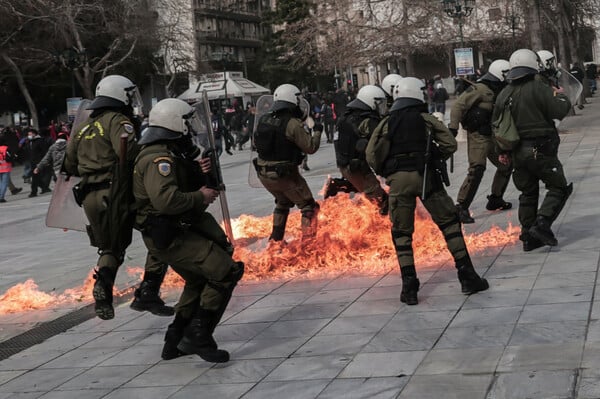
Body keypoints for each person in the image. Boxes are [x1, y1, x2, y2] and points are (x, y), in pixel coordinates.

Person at [133, 98, 243, 363]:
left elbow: (179, 183)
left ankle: (175, 340)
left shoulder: (168, 152)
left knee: (198, 280)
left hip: (175, 231)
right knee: (225, 272)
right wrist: (200, 196)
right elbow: (166, 200)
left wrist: (198, 171)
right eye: (186, 122)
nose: (190, 128)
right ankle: (198, 335)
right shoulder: (158, 158)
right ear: (174, 123)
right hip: (170, 235)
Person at [366, 77, 489, 305]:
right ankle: (467, 276)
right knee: (450, 224)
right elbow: (450, 145)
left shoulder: (387, 122)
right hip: (426, 178)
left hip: (399, 181)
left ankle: (409, 286)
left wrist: (388, 170)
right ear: (416, 94)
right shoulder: (426, 120)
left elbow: (371, 155)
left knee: (402, 233)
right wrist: (433, 159)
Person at [63, 74, 171, 320]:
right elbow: (131, 154)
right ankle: (149, 290)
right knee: (160, 233)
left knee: (111, 248)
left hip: (90, 197)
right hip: (118, 192)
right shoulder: (119, 121)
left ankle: (105, 284)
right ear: (120, 95)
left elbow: (68, 165)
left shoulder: (82, 128)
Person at [493, 49, 572, 251]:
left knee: (527, 193)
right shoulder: (539, 86)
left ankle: (528, 237)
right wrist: (561, 96)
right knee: (559, 187)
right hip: (541, 149)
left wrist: (502, 151)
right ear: (533, 65)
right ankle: (542, 224)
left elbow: (496, 125)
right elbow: (560, 109)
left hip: (516, 152)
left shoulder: (504, 93)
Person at [253, 83, 322, 241]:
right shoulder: (291, 123)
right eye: (297, 99)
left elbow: (257, 143)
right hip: (285, 176)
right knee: (308, 207)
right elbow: (310, 147)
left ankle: (275, 242)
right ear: (292, 100)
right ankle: (309, 246)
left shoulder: (264, 119)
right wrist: (317, 131)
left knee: (283, 203)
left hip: (264, 175)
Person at [450, 59, 513, 224]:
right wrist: (453, 128)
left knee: (506, 165)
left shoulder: (503, 89)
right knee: (477, 168)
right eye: (506, 73)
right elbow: (458, 105)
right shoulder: (480, 89)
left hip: (494, 135)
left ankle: (496, 198)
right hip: (478, 134)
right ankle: (461, 207)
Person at [331, 84, 389, 214]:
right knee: (380, 200)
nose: (381, 106)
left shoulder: (348, 116)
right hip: (356, 167)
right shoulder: (365, 120)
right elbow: (380, 137)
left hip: (348, 164)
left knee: (372, 193)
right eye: (379, 103)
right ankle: (378, 227)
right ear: (370, 101)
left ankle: (341, 186)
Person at [23, 128, 52, 197]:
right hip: (32, 162)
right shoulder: (29, 142)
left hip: (39, 162)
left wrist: (45, 161)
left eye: (30, 134)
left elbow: (44, 151)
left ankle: (34, 192)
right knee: (36, 177)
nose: (29, 135)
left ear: (34, 134)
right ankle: (45, 187)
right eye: (28, 134)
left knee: (35, 177)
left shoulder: (39, 141)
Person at [0, 135, 16, 203]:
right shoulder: (6, 148)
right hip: (6, 167)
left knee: (0, 183)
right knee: (4, 183)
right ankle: (1, 197)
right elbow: (11, 156)